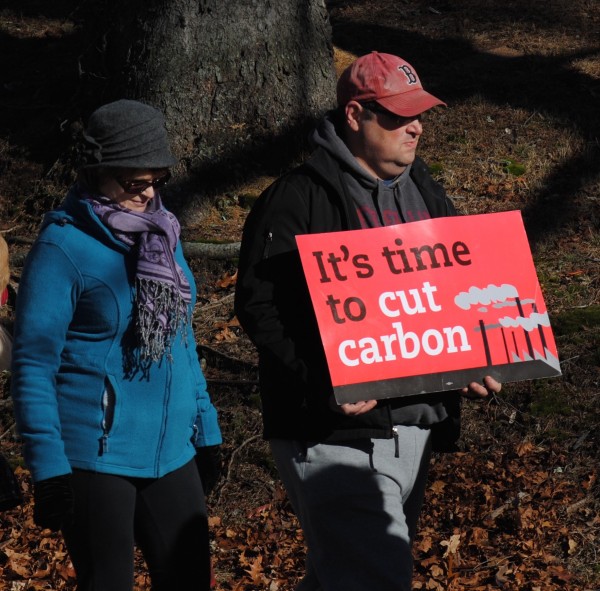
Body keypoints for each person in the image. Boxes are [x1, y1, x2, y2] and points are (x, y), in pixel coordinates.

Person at [234, 52, 502, 591]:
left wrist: (473, 356)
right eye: (400, 117)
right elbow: (260, 307)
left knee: (345, 577)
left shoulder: (423, 189)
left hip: (416, 427)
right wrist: (323, 379)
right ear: (355, 115)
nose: (417, 127)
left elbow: (450, 294)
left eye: (421, 114)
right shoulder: (297, 198)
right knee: (374, 578)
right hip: (336, 436)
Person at [11, 99, 222, 591]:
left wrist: (205, 427)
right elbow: (32, 364)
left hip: (171, 448)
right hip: (93, 455)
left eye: (157, 180)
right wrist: (48, 466)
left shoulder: (162, 235)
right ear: (97, 172)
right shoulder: (61, 249)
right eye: (134, 183)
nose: (149, 194)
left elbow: (181, 339)